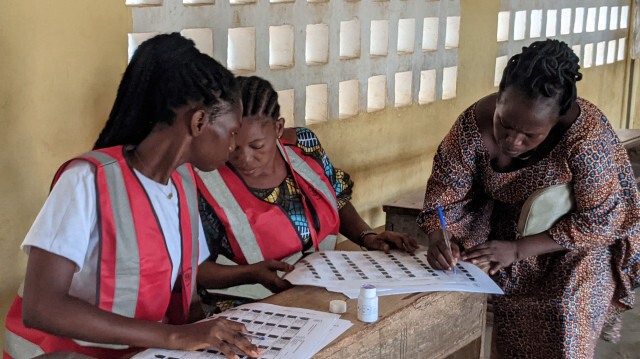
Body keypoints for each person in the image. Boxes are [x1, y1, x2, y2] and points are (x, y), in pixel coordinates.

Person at [3, 33, 262, 359]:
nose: (234, 146)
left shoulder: (182, 183)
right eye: (233, 132)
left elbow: (184, 281)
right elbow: (42, 307)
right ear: (198, 122)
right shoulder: (87, 181)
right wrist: (175, 337)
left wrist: (209, 334)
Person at [417, 39, 640, 358]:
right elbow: (444, 193)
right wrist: (442, 236)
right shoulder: (471, 126)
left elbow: (601, 221)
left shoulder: (587, 139)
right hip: (510, 233)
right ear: (499, 97)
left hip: (578, 247)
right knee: (514, 333)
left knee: (566, 321)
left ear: (557, 119)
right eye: (504, 124)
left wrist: (521, 249)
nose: (512, 140)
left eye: (531, 135)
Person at [196, 76, 419, 302]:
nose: (244, 158)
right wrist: (249, 274)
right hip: (244, 307)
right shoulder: (204, 180)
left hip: (320, 290)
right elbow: (192, 270)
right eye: (233, 146)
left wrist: (368, 236)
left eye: (257, 146)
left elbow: (336, 198)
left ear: (278, 128)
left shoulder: (304, 145)